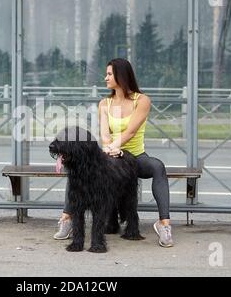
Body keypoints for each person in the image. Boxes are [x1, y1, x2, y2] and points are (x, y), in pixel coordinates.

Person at [53, 58, 173, 248]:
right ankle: (67, 218)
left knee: (158, 167)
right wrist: (109, 148)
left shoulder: (141, 100)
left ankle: (164, 224)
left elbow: (131, 131)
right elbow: (104, 134)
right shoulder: (105, 103)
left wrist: (118, 146)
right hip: (109, 155)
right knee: (77, 168)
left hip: (135, 155)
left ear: (121, 76)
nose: (105, 78)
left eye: (109, 74)